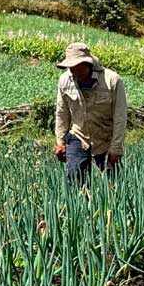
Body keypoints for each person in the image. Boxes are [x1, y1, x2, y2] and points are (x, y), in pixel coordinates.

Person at [53, 41, 127, 181]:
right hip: (78, 136)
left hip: (105, 139)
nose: (72, 70)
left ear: (87, 63)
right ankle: (80, 201)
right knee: (74, 178)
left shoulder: (112, 80)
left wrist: (116, 148)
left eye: (76, 66)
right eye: (70, 66)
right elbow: (62, 113)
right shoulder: (65, 80)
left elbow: (120, 117)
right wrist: (60, 142)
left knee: (113, 183)